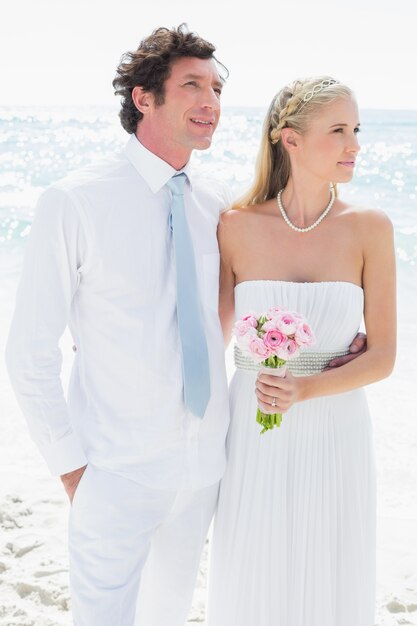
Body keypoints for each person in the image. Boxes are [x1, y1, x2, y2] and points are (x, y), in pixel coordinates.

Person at [6, 24, 231, 626]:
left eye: (216, 86)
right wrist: (73, 467)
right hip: (115, 471)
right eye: (192, 85)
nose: (210, 100)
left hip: (202, 470)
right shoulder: (75, 201)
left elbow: (227, 318)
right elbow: (29, 350)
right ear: (143, 98)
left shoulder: (219, 205)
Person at [206, 77, 396, 626]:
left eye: (356, 129)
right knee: (254, 566)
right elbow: (212, 333)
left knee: (332, 569)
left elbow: (383, 356)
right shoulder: (234, 227)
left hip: (337, 428)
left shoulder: (369, 228)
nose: (354, 144)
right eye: (338, 130)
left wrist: (306, 387)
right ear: (289, 139)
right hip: (255, 424)